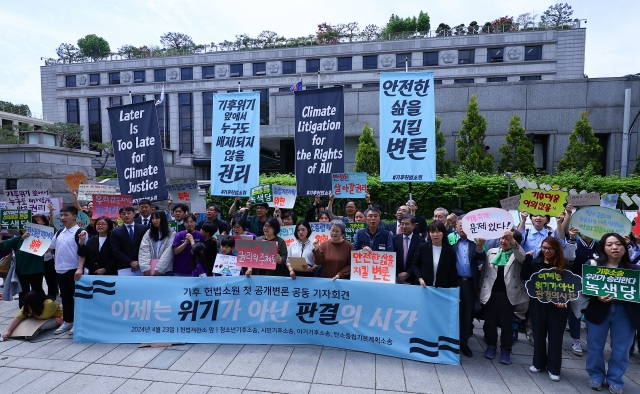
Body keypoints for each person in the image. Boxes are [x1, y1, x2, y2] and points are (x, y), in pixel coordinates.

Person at [584, 233, 640, 393]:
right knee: (595, 345)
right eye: (609, 244)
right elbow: (584, 288)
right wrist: (596, 296)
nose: (614, 247)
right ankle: (596, 376)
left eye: (618, 244)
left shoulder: (635, 269)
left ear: (625, 247)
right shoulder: (593, 265)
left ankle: (615, 379)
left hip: (626, 313)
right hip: (598, 310)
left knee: (621, 349)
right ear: (603, 247)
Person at [520, 236, 569, 382]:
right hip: (538, 304)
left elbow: (570, 287)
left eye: (550, 248)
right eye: (544, 248)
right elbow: (525, 277)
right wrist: (527, 260)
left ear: (557, 249)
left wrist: (563, 299)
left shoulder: (564, 265)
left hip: (558, 307)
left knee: (555, 337)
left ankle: (554, 368)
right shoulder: (536, 262)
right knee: (539, 334)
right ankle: (538, 363)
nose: (546, 251)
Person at [480, 230, 527, 365]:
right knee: (490, 322)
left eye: (507, 239)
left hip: (508, 295)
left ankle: (506, 349)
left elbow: (523, 257)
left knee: (507, 325)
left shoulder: (516, 254)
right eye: (502, 238)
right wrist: (480, 288)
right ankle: (491, 346)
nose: (503, 241)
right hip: (490, 293)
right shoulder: (491, 252)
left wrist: (513, 242)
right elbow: (484, 272)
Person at [449, 215, 486, 358]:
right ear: (456, 227)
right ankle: (450, 339)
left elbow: (482, 259)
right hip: (454, 282)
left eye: (465, 226)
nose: (462, 228)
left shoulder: (476, 242)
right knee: (452, 311)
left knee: (466, 314)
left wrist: (479, 248)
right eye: (460, 225)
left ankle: (463, 342)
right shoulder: (451, 241)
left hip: (469, 283)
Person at [49, 206, 83, 335]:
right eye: (61, 215)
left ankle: (78, 322)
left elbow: (83, 253)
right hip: (59, 269)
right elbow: (49, 248)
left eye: (65, 215)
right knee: (66, 297)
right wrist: (31, 239)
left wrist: (80, 268)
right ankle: (68, 321)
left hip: (74, 270)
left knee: (78, 297)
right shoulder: (59, 232)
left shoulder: (80, 232)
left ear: (74, 216)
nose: (62, 218)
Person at [0, 229, 45, 308]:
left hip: (36, 270)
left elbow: (46, 248)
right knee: (23, 292)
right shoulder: (17, 239)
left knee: (37, 291)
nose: (24, 229)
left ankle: (40, 309)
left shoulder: (40, 237)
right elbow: (2, 245)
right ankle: (24, 311)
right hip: (21, 271)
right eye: (22, 227)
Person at [412, 221, 457, 288]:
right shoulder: (422, 247)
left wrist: (453, 291)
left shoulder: (450, 251)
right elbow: (415, 265)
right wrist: (420, 278)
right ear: (429, 234)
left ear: (443, 233)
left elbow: (452, 272)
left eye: (438, 232)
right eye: (432, 232)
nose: (435, 235)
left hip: (442, 288)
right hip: (423, 286)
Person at [139, 211, 176, 276]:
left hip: (166, 270)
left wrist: (159, 269)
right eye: (153, 219)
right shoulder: (148, 233)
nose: (154, 221)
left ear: (163, 219)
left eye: (157, 218)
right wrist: (145, 267)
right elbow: (144, 250)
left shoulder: (171, 233)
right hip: (150, 270)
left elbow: (168, 252)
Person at [111, 206, 147, 272]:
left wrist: (140, 261)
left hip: (142, 264)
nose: (126, 215)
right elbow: (116, 250)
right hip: (124, 266)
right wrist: (130, 262)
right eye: (123, 214)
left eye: (129, 213)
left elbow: (147, 247)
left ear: (134, 214)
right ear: (120, 216)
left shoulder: (143, 228)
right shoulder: (115, 231)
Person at [392, 215, 424, 284]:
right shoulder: (394, 239)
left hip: (413, 279)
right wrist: (399, 273)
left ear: (414, 225)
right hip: (396, 277)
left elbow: (420, 260)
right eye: (402, 224)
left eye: (406, 224)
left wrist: (408, 273)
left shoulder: (420, 241)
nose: (403, 226)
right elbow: (392, 257)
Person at [33, 214, 57, 300]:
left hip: (48, 260)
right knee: (36, 284)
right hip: (35, 261)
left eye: (38, 220)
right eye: (34, 220)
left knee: (51, 282)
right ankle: (39, 299)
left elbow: (52, 224)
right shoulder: (29, 232)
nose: (36, 222)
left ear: (44, 221)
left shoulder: (49, 231)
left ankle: (52, 300)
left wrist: (51, 212)